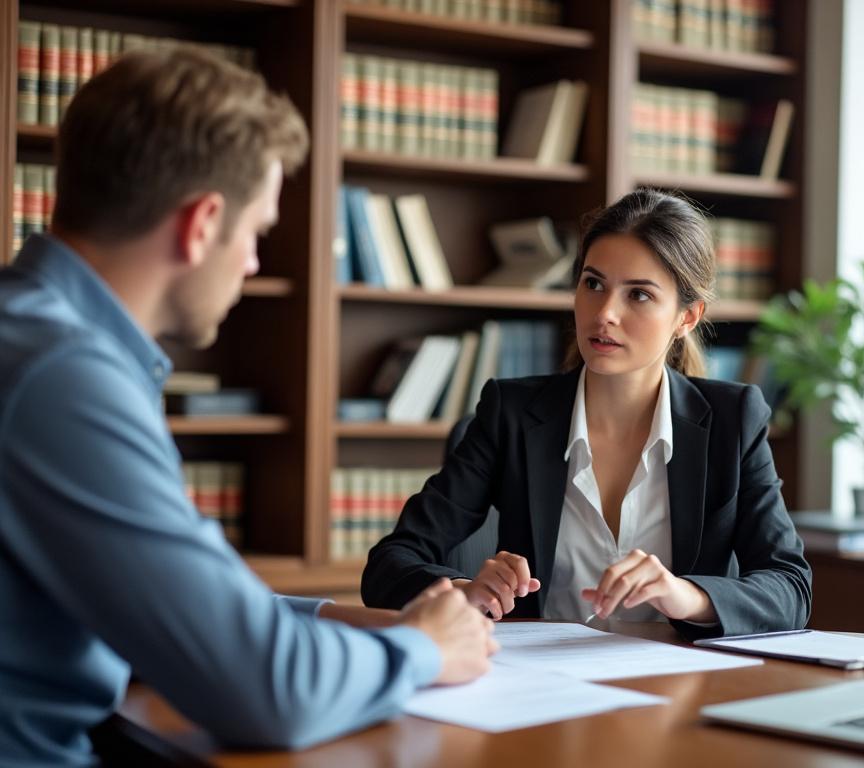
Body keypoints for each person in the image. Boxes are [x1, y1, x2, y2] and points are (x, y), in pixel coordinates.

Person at [0, 48, 495, 766]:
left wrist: (344, 619)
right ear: (201, 224)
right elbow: (266, 693)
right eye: (257, 231)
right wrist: (422, 649)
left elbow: (164, 597)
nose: (256, 262)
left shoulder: (33, 334)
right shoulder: (63, 377)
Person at [362, 189, 812, 639]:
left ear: (687, 317)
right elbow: (390, 564)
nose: (605, 314)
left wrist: (685, 595)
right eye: (593, 284)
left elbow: (791, 589)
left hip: (678, 680)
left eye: (638, 295)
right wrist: (462, 592)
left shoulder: (733, 421)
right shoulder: (511, 414)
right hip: (539, 680)